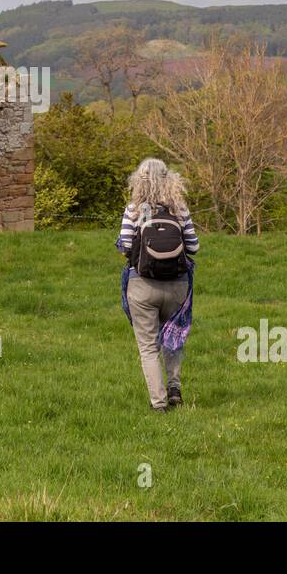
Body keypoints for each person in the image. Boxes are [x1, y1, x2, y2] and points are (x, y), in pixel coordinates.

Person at [116, 158, 199, 412]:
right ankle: (174, 388)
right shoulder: (179, 209)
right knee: (173, 337)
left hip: (142, 286)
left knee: (148, 346)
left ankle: (159, 404)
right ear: (169, 179)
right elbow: (194, 247)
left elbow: (126, 248)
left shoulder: (133, 210)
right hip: (177, 286)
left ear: (138, 182)